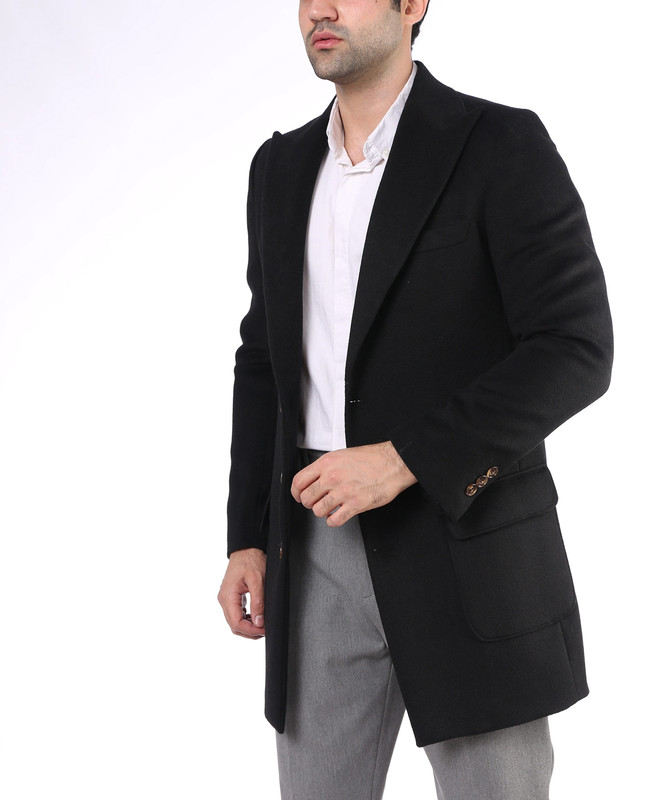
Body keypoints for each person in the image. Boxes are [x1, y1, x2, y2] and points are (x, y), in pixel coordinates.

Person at [218, 1, 613, 797]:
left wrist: (404, 459)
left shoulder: (498, 144)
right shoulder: (279, 169)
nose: (319, 9)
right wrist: (246, 538)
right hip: (315, 544)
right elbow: (262, 362)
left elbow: (574, 348)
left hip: (470, 542)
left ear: (414, 4)